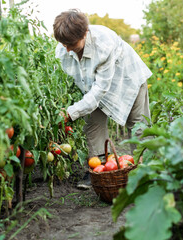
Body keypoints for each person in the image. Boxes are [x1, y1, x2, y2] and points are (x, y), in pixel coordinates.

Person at [53, 9, 152, 189]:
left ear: (85, 33)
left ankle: (143, 170)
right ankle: (98, 169)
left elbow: (99, 92)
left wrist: (70, 112)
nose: (66, 49)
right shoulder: (63, 47)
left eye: (71, 44)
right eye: (63, 44)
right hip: (93, 86)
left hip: (128, 78)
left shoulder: (104, 44)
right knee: (93, 123)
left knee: (138, 124)